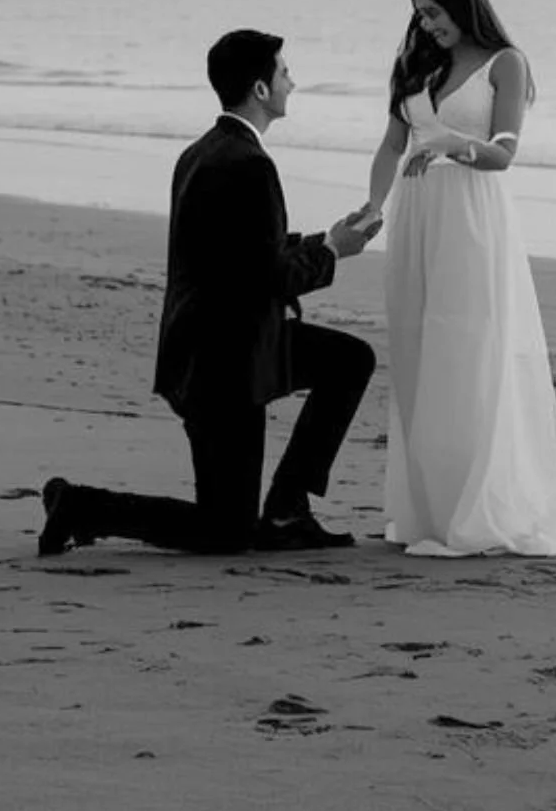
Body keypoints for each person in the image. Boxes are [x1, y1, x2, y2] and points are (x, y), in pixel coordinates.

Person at [40, 29, 381, 557]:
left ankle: (289, 507)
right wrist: (334, 252)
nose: (293, 81)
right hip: (222, 367)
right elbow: (269, 276)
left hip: (228, 343)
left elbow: (242, 255)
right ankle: (80, 506)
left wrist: (324, 239)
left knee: (349, 359)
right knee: (225, 531)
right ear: (261, 89)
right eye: (285, 72)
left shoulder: (203, 151)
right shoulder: (248, 164)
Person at [364, 0, 556, 556]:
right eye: (420, 14)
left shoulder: (505, 63)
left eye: (433, 11)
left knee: (468, 351)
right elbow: (391, 144)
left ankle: (476, 508)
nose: (426, 24)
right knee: (418, 353)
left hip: (471, 220)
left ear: (463, 3)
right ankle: (426, 509)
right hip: (416, 219)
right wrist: (374, 206)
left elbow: (505, 153)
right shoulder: (415, 64)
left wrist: (455, 145)